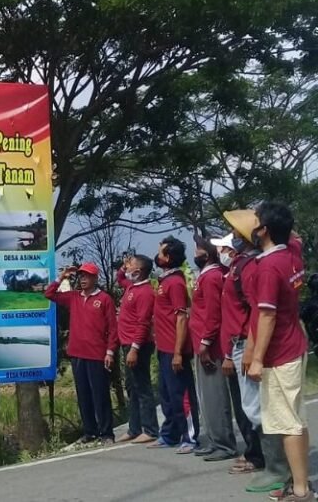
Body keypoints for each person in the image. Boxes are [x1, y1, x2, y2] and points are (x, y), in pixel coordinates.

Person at [217, 210, 289, 494]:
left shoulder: (248, 267)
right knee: (253, 407)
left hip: (244, 343)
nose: (232, 236)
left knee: (258, 408)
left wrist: (249, 349)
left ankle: (276, 467)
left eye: (236, 232)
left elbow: (257, 311)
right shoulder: (241, 265)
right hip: (239, 343)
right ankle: (273, 464)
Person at [246, 202, 311, 501]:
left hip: (280, 352)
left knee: (288, 423)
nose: (252, 226)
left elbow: (267, 316)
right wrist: (279, 220)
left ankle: (301, 489)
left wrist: (257, 359)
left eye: (256, 222)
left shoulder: (268, 267)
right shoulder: (292, 254)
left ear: (265, 230)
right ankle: (297, 482)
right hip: (294, 344)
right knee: (293, 420)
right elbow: (294, 235)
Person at [45, 263, 117, 445]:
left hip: (97, 353)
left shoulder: (104, 299)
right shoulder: (74, 297)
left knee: (100, 394)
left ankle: (106, 432)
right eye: (81, 276)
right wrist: (61, 277)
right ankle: (90, 431)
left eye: (87, 276)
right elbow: (49, 294)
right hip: (77, 353)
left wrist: (110, 351)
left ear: (95, 278)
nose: (83, 279)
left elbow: (112, 328)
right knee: (83, 394)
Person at [147, 236, 199, 454]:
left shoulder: (176, 283)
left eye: (160, 253)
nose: (157, 256)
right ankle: (170, 434)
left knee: (182, 394)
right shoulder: (164, 281)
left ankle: (191, 436)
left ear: (168, 257)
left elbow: (181, 318)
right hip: (164, 347)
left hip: (175, 349)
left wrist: (178, 352)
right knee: (167, 394)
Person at [188, 235, 238, 462]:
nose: (194, 253)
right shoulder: (205, 276)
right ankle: (215, 439)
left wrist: (206, 342)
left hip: (211, 345)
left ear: (206, 254)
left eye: (197, 249)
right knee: (206, 397)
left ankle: (224, 443)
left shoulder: (211, 277)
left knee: (215, 395)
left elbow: (213, 313)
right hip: (202, 342)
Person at [115, 254, 159, 444]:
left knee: (142, 387)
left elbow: (143, 323)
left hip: (138, 345)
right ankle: (134, 428)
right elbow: (120, 279)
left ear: (139, 271)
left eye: (131, 264)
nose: (127, 267)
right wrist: (123, 268)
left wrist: (134, 348)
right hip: (127, 344)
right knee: (132, 387)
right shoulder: (131, 287)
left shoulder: (146, 292)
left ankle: (150, 429)